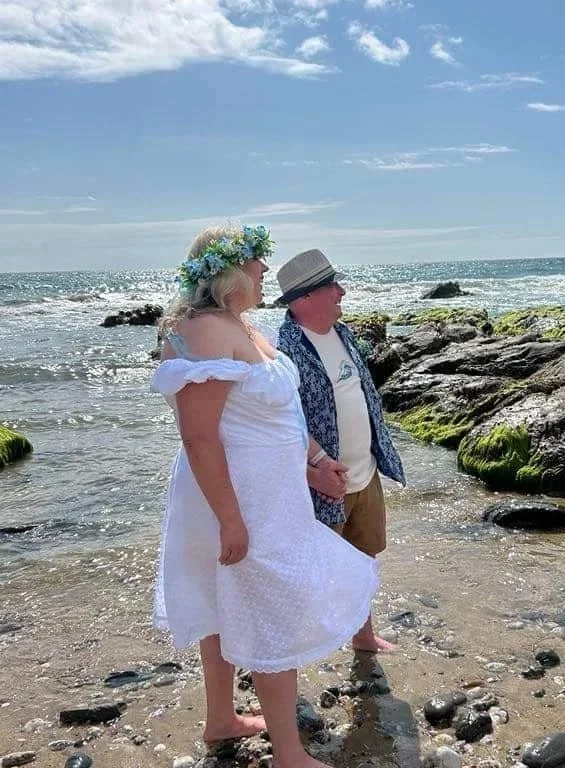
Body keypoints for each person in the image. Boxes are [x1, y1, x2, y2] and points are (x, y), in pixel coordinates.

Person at [150, 225, 378, 768]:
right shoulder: (202, 329)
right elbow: (199, 435)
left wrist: (316, 462)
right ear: (229, 270)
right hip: (241, 499)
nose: (263, 273)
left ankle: (220, 720)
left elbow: (279, 419)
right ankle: (289, 755)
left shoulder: (239, 327)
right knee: (267, 608)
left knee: (228, 605)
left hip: (273, 494)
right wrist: (230, 519)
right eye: (256, 264)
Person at [276, 248, 405, 653]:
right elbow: (279, 426)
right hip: (321, 484)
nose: (342, 292)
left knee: (362, 559)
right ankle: (285, 655)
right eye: (332, 286)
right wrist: (311, 471)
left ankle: (362, 636)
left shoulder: (344, 334)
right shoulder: (283, 352)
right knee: (308, 573)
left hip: (363, 472)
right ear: (305, 299)